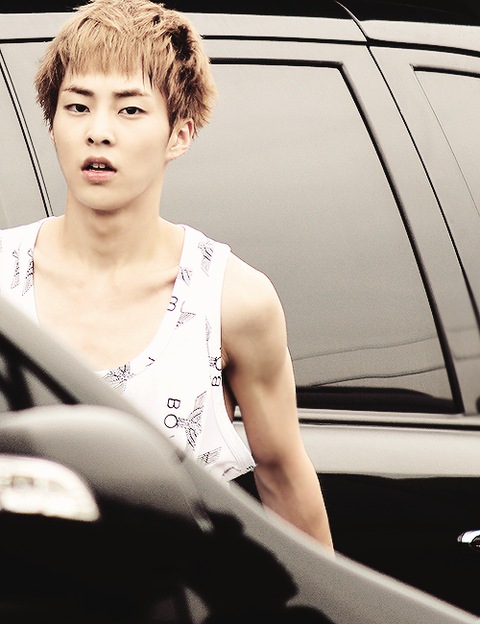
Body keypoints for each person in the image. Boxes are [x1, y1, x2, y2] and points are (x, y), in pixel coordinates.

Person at [0, 0, 332, 549]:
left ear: (179, 134)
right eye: (77, 106)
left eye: (130, 110)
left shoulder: (230, 301)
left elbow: (283, 477)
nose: (98, 132)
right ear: (52, 123)